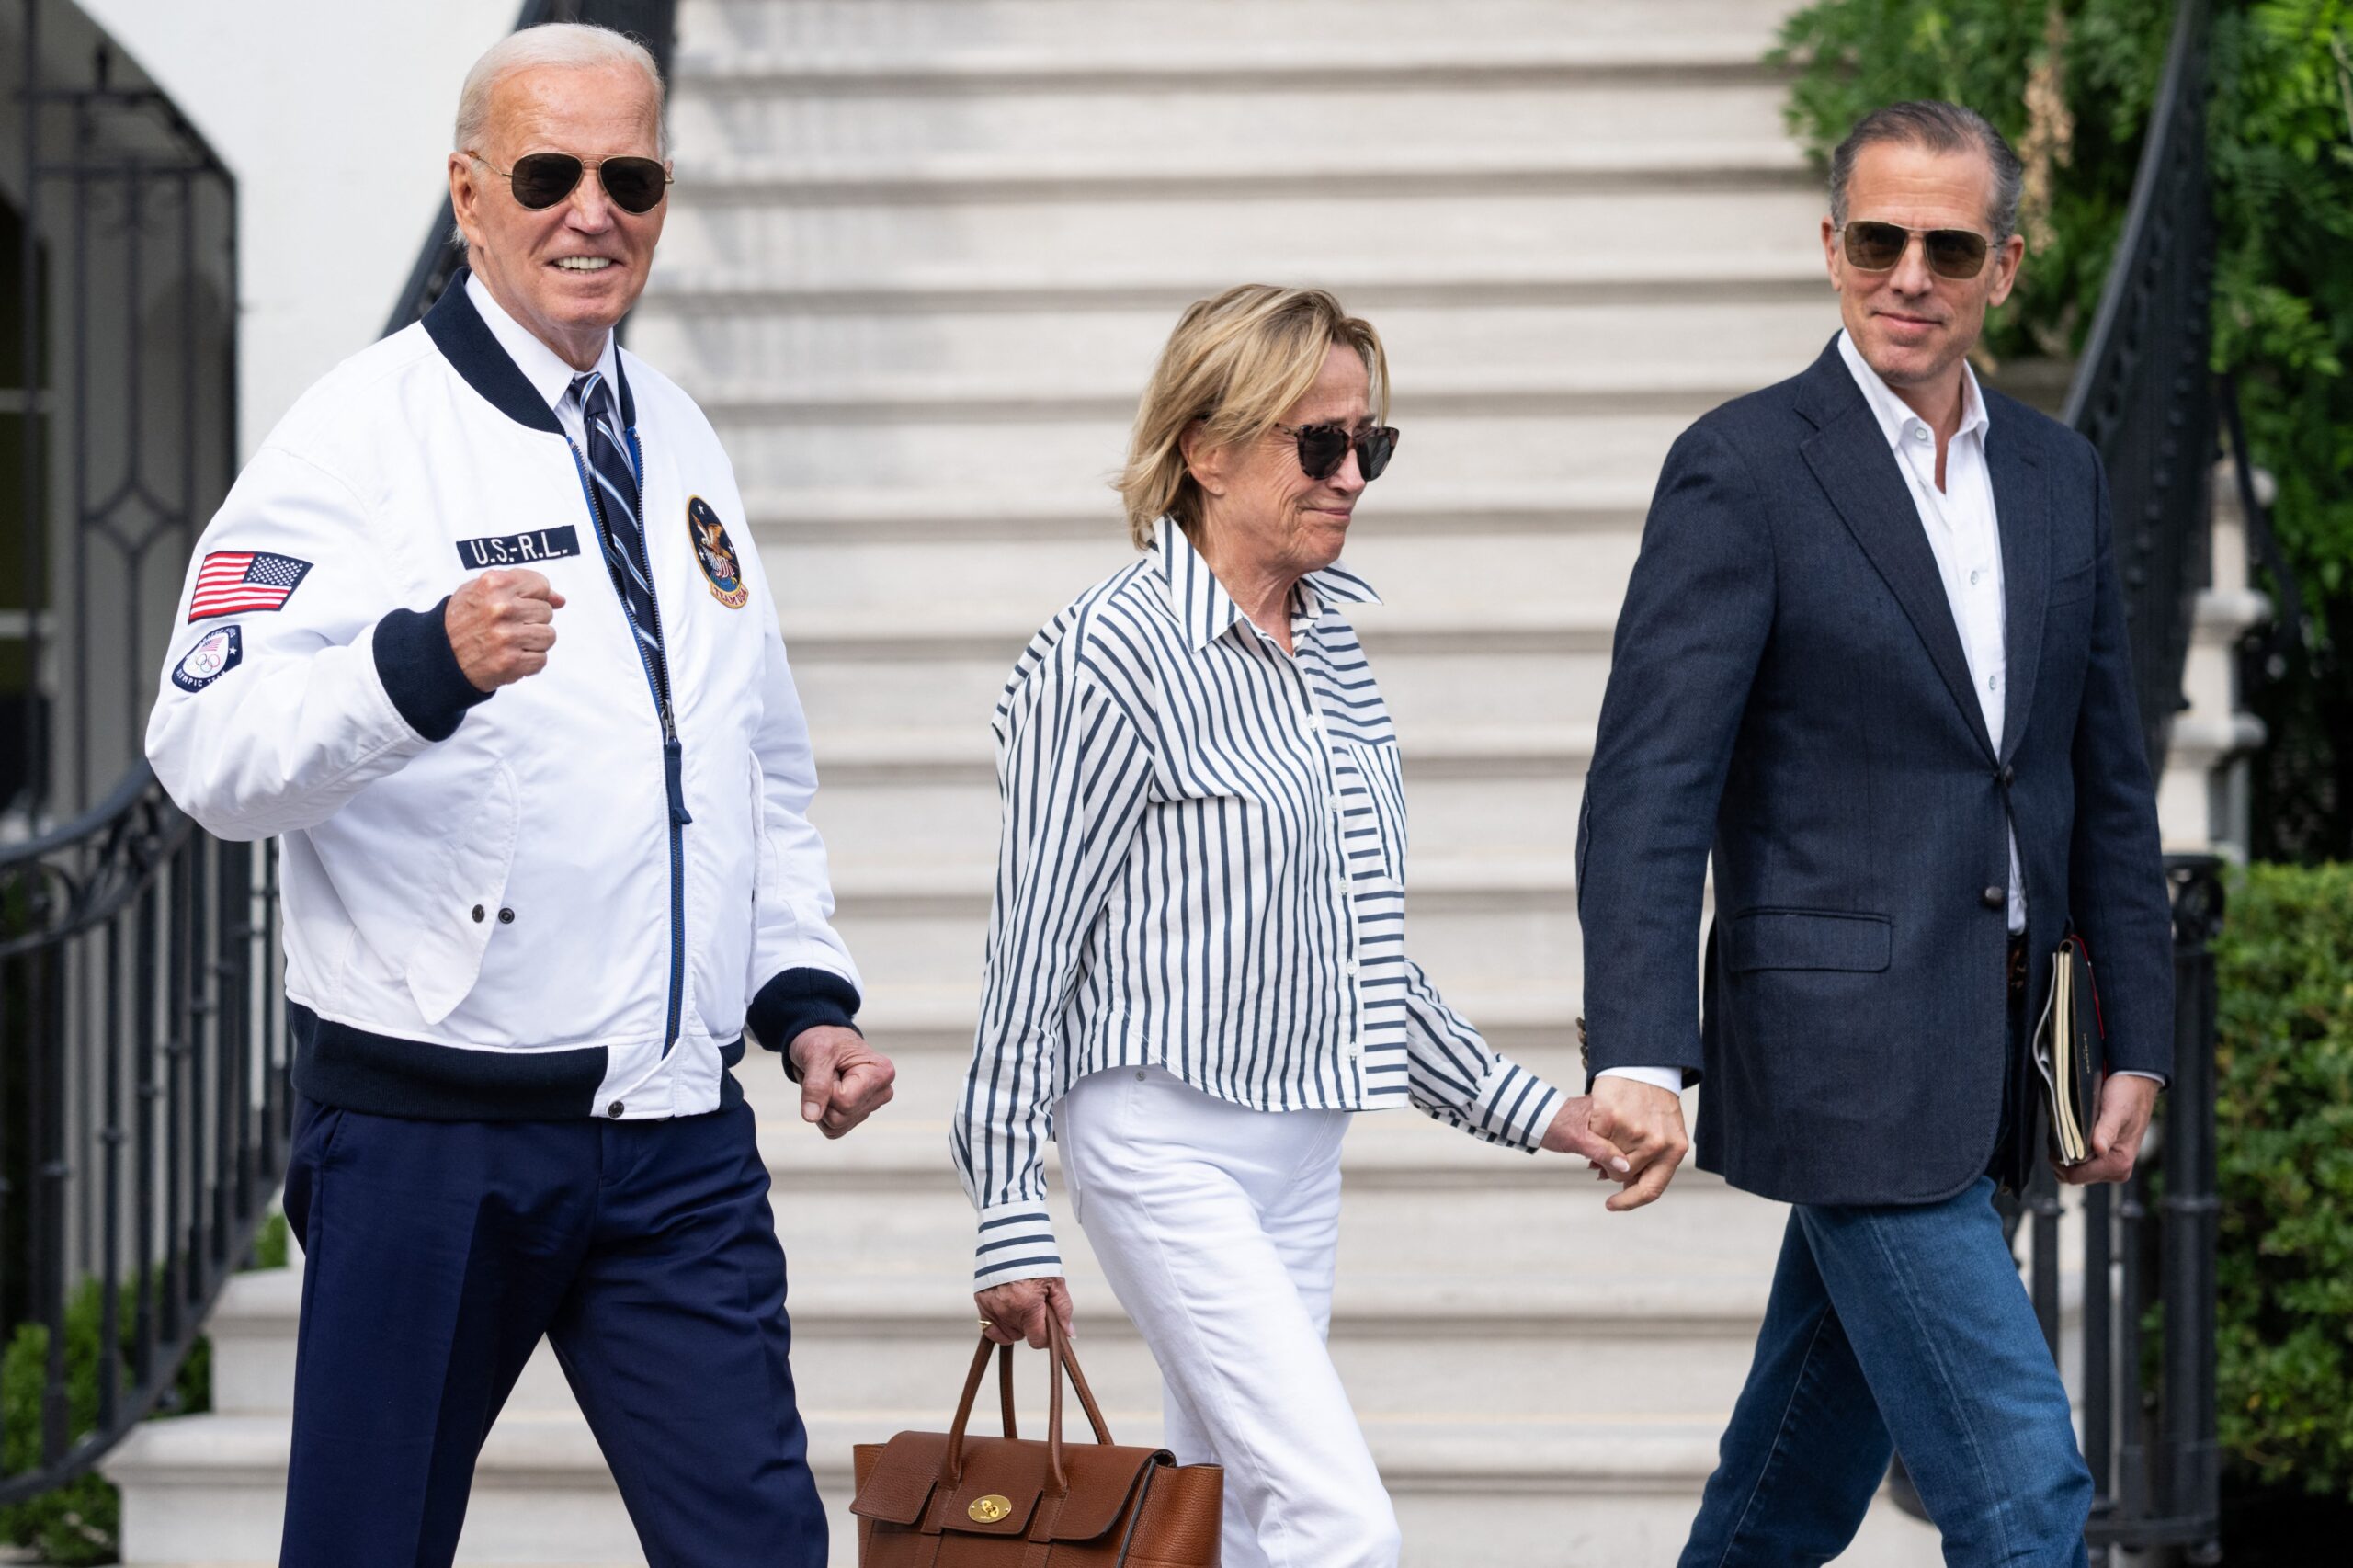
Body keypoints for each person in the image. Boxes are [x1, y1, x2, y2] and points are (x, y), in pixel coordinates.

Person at [142, 25, 893, 1568]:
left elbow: (753, 761)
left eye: (632, 177)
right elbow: (202, 744)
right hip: (436, 1132)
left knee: (763, 1547)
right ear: (469, 193)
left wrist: (800, 992)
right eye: (550, 173)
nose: (592, 211)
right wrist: (413, 667)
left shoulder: (678, 437)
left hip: (678, 1135)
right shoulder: (358, 435)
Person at [950, 285, 1640, 1568]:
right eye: (1315, 443)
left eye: (1366, 444)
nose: (1350, 476)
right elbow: (1029, 951)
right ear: (1206, 450)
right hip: (1160, 1142)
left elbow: (1360, 955)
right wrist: (1008, 1202)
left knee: (1246, 1525)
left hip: (1297, 1154)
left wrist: (1543, 1110)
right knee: (1338, 1520)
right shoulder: (1106, 656)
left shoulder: (1331, 650)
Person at [1574, 101, 2176, 1566]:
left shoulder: (2058, 478)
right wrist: (1639, 1050)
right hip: (1839, 1058)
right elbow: (1649, 779)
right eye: (1879, 239)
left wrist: (2137, 1035)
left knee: (1784, 1492)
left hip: (1999, 1064)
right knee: (2026, 1490)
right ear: (1831, 247)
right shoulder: (1744, 466)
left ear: (2006, 266)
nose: (1911, 274)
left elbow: (2102, 774)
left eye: (1949, 246)